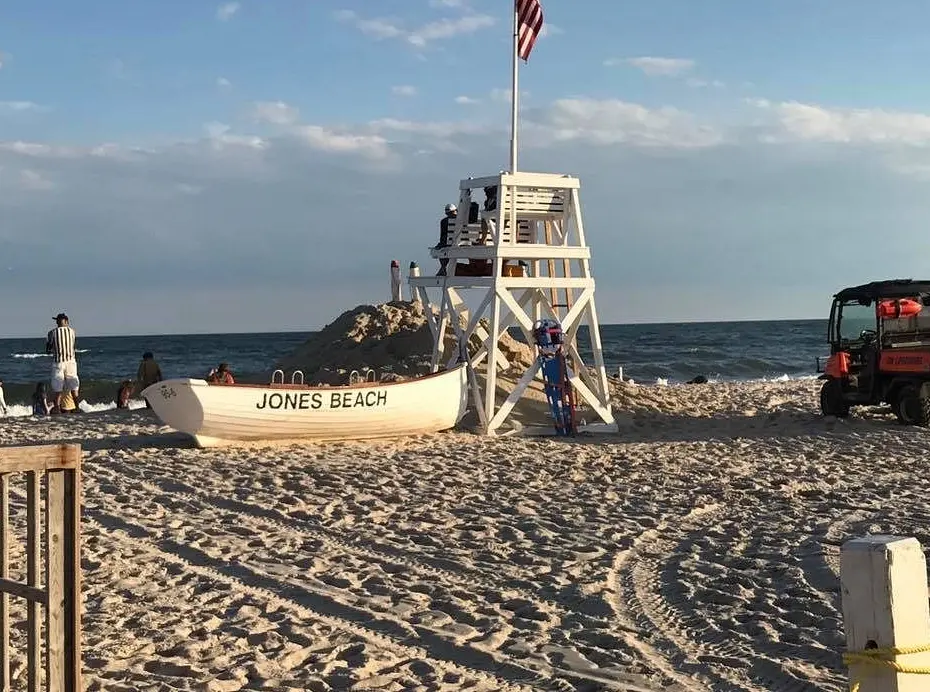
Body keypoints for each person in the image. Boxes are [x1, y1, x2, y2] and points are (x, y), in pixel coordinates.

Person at [45, 312, 80, 413]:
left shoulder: (52, 333)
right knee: (73, 385)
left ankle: (57, 407)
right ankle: (77, 406)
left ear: (58, 322)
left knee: (57, 386)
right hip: (71, 361)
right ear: (67, 322)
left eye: (57, 320)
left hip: (59, 362)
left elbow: (48, 349)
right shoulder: (72, 331)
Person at [434, 203, 457, 276]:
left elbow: (442, 236)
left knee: (440, 248)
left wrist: (441, 244)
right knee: (444, 246)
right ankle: (443, 269)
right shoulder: (463, 220)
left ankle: (443, 268)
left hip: (449, 243)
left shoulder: (444, 221)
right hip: (464, 242)